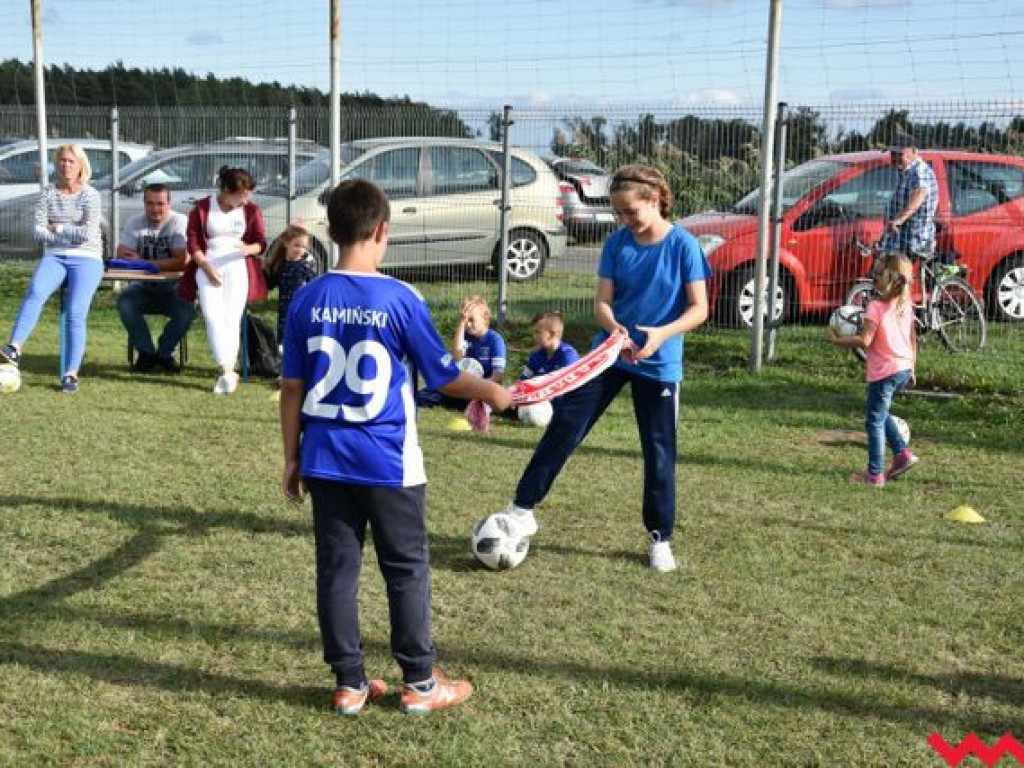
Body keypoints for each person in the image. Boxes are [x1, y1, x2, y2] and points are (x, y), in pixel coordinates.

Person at [279, 178, 512, 715]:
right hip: (388, 461)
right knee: (406, 568)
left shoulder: (307, 297)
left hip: (325, 458)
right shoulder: (401, 298)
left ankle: (349, 684)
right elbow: (444, 376)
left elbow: (292, 387)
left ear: (331, 231)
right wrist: (492, 391)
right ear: (383, 230)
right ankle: (422, 685)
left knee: (337, 569)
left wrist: (292, 457)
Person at [496, 164, 711, 573]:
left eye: (631, 211)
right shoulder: (616, 244)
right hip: (609, 357)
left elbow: (699, 308)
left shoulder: (684, 246)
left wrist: (661, 334)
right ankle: (522, 508)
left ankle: (660, 538)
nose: (624, 219)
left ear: (654, 200)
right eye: (618, 212)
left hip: (659, 363)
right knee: (565, 427)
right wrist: (615, 330)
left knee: (659, 452)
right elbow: (602, 304)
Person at [0, 143, 103, 393]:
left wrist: (57, 227)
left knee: (76, 311)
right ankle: (14, 347)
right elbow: (38, 231)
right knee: (36, 291)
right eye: (62, 161)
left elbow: (87, 234)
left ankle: (71, 374)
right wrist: (66, 233)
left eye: (71, 161)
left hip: (87, 257)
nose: (66, 165)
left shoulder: (90, 194)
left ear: (81, 165)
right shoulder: (48, 193)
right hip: (55, 255)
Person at [829, 252, 919, 487]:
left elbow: (865, 340)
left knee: (874, 421)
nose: (873, 277)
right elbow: (912, 339)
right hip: (903, 369)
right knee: (879, 412)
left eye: (877, 273)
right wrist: (912, 367)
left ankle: (875, 475)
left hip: (885, 373)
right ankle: (902, 454)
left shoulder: (876, 307)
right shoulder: (905, 305)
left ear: (886, 278)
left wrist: (837, 341)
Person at [180, 166, 266, 395]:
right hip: (208, 266)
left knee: (232, 318)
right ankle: (226, 369)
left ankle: (227, 371)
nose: (245, 200)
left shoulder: (251, 210)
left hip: (237, 267)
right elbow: (193, 242)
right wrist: (206, 266)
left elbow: (261, 243)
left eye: (248, 195)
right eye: (241, 195)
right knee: (212, 316)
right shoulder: (202, 208)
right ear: (226, 190)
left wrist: (248, 249)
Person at [115, 183, 196, 373]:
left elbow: (182, 261)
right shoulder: (135, 222)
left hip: (174, 289)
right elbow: (122, 255)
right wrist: (164, 263)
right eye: (150, 203)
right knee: (125, 302)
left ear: (169, 204)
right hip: (142, 288)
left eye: (160, 204)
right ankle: (146, 354)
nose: (155, 209)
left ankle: (165, 354)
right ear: (144, 204)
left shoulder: (179, 221)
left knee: (187, 311)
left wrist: (143, 262)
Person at [417, 294, 506, 407]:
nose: (468, 324)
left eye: (471, 320)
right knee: (430, 392)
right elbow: (457, 356)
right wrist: (461, 324)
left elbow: (497, 377)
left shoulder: (495, 340)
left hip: (485, 388)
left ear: (485, 318)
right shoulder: (465, 336)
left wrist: (479, 388)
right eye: (465, 320)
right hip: (465, 387)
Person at [881, 133, 939, 257]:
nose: (895, 158)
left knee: (900, 267)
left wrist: (899, 219)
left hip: (913, 239)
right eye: (893, 154)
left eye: (899, 154)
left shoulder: (919, 170)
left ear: (913, 152)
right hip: (899, 237)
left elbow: (920, 193)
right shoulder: (904, 171)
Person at [265, 223, 317, 344]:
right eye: (296, 245)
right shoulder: (280, 266)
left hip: (302, 310)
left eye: (304, 247)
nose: (300, 250)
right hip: (285, 312)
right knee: (284, 341)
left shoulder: (306, 267)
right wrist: (261, 271)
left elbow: (315, 288)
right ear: (286, 243)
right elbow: (270, 284)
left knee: (301, 340)